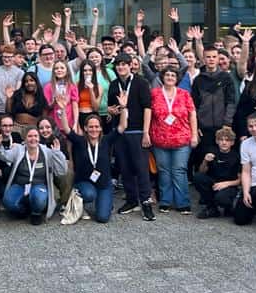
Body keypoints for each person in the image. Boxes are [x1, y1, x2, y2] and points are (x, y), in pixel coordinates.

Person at [58, 101, 124, 223]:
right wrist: (62, 110)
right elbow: (67, 129)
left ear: (100, 128)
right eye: (91, 127)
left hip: (104, 184)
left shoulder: (106, 140)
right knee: (89, 194)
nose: (94, 129)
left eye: (96, 126)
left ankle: (105, 202)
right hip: (84, 183)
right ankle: (79, 196)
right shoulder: (80, 141)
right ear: (86, 128)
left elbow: (122, 127)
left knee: (103, 218)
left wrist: (124, 107)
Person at [107, 54, 154, 221]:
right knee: (125, 168)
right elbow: (112, 107)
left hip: (137, 131)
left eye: (124, 65)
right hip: (120, 131)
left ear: (130, 66)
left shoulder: (141, 82)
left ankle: (146, 201)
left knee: (141, 168)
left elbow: (148, 108)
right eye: (118, 65)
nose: (121, 68)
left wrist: (146, 132)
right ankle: (132, 200)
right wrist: (112, 110)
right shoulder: (114, 85)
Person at [0, 125, 68, 224]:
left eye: (35, 136)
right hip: (20, 184)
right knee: (8, 202)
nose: (33, 139)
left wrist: (57, 153)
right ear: (24, 138)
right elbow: (4, 156)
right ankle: (24, 210)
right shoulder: (19, 150)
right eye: (30, 136)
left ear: (39, 138)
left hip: (39, 185)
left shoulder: (47, 152)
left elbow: (62, 171)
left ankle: (36, 212)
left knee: (39, 199)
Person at [146, 66, 198, 215]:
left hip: (182, 140)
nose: (169, 77)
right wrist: (146, 133)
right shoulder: (154, 93)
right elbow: (148, 114)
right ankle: (166, 201)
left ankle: (183, 202)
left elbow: (192, 115)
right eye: (167, 75)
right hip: (160, 140)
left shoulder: (184, 94)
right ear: (162, 77)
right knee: (164, 171)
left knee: (179, 170)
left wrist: (194, 135)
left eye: (172, 75)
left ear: (177, 79)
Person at [190, 45, 237, 177]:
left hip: (222, 126)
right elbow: (194, 105)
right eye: (208, 57)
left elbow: (231, 102)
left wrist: (227, 123)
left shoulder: (226, 78)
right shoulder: (198, 80)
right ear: (203, 59)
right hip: (204, 128)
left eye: (214, 57)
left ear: (218, 59)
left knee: (222, 160)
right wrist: (197, 125)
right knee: (204, 158)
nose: (211, 59)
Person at [193, 127, 241, 219]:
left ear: (232, 142)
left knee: (221, 198)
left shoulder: (236, 156)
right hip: (213, 182)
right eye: (221, 140)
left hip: (229, 186)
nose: (224, 142)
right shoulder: (211, 151)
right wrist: (205, 161)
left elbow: (240, 180)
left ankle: (228, 207)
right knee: (198, 177)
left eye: (227, 140)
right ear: (217, 141)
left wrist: (225, 184)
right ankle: (212, 208)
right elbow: (201, 171)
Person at [0, 42, 23, 115]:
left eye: (9, 57)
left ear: (14, 57)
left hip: (12, 107)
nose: (7, 59)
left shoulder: (20, 72)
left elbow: (18, 90)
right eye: (5, 57)